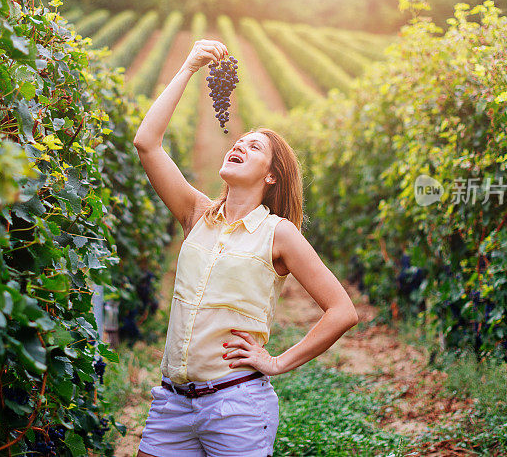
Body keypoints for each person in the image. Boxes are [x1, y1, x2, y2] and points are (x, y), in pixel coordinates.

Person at [132, 39, 359, 457]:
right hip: (172, 403)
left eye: (255, 147)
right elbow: (147, 142)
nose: (239, 145)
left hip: (235, 405)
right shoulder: (196, 213)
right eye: (241, 141)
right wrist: (187, 68)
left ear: (271, 177)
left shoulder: (279, 233)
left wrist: (277, 363)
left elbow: (343, 311)